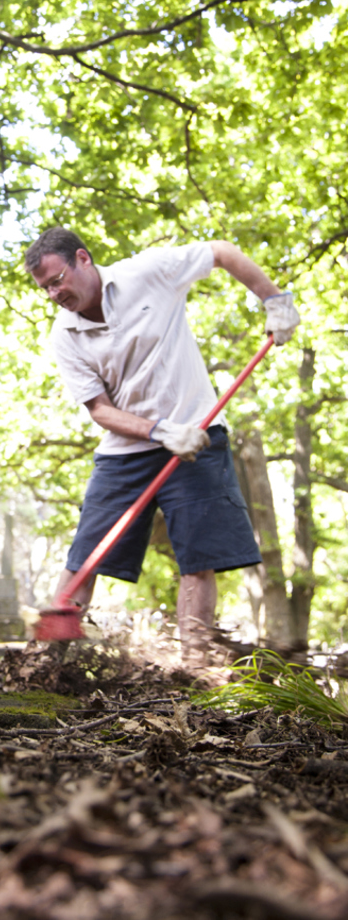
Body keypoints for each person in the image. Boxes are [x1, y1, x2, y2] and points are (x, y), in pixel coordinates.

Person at [24, 227, 300, 659]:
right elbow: (99, 410)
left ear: (83, 259)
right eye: (44, 288)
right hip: (127, 451)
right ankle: (49, 660)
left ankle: (193, 663)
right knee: (85, 554)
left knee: (198, 557)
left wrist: (273, 298)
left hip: (197, 436)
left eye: (56, 280)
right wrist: (158, 431)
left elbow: (222, 251)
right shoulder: (65, 336)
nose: (53, 294)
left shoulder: (147, 273)